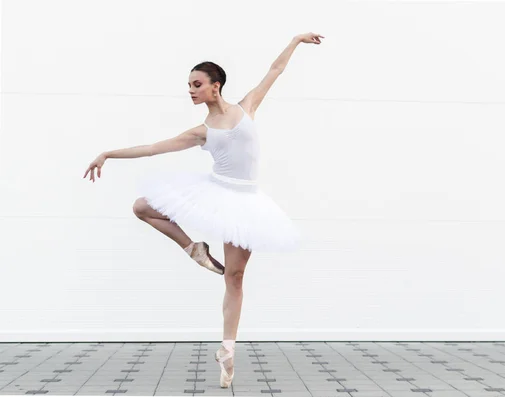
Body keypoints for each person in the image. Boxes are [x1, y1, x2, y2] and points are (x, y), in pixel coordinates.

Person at [83, 32, 325, 388]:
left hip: (246, 202)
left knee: (235, 277)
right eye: (189, 85)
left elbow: (275, 70)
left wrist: (295, 41)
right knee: (142, 207)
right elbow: (152, 147)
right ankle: (193, 249)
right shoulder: (202, 131)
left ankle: (228, 352)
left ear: (217, 86)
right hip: (214, 191)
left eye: (197, 84)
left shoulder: (248, 106)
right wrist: (108, 153)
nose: (191, 90)